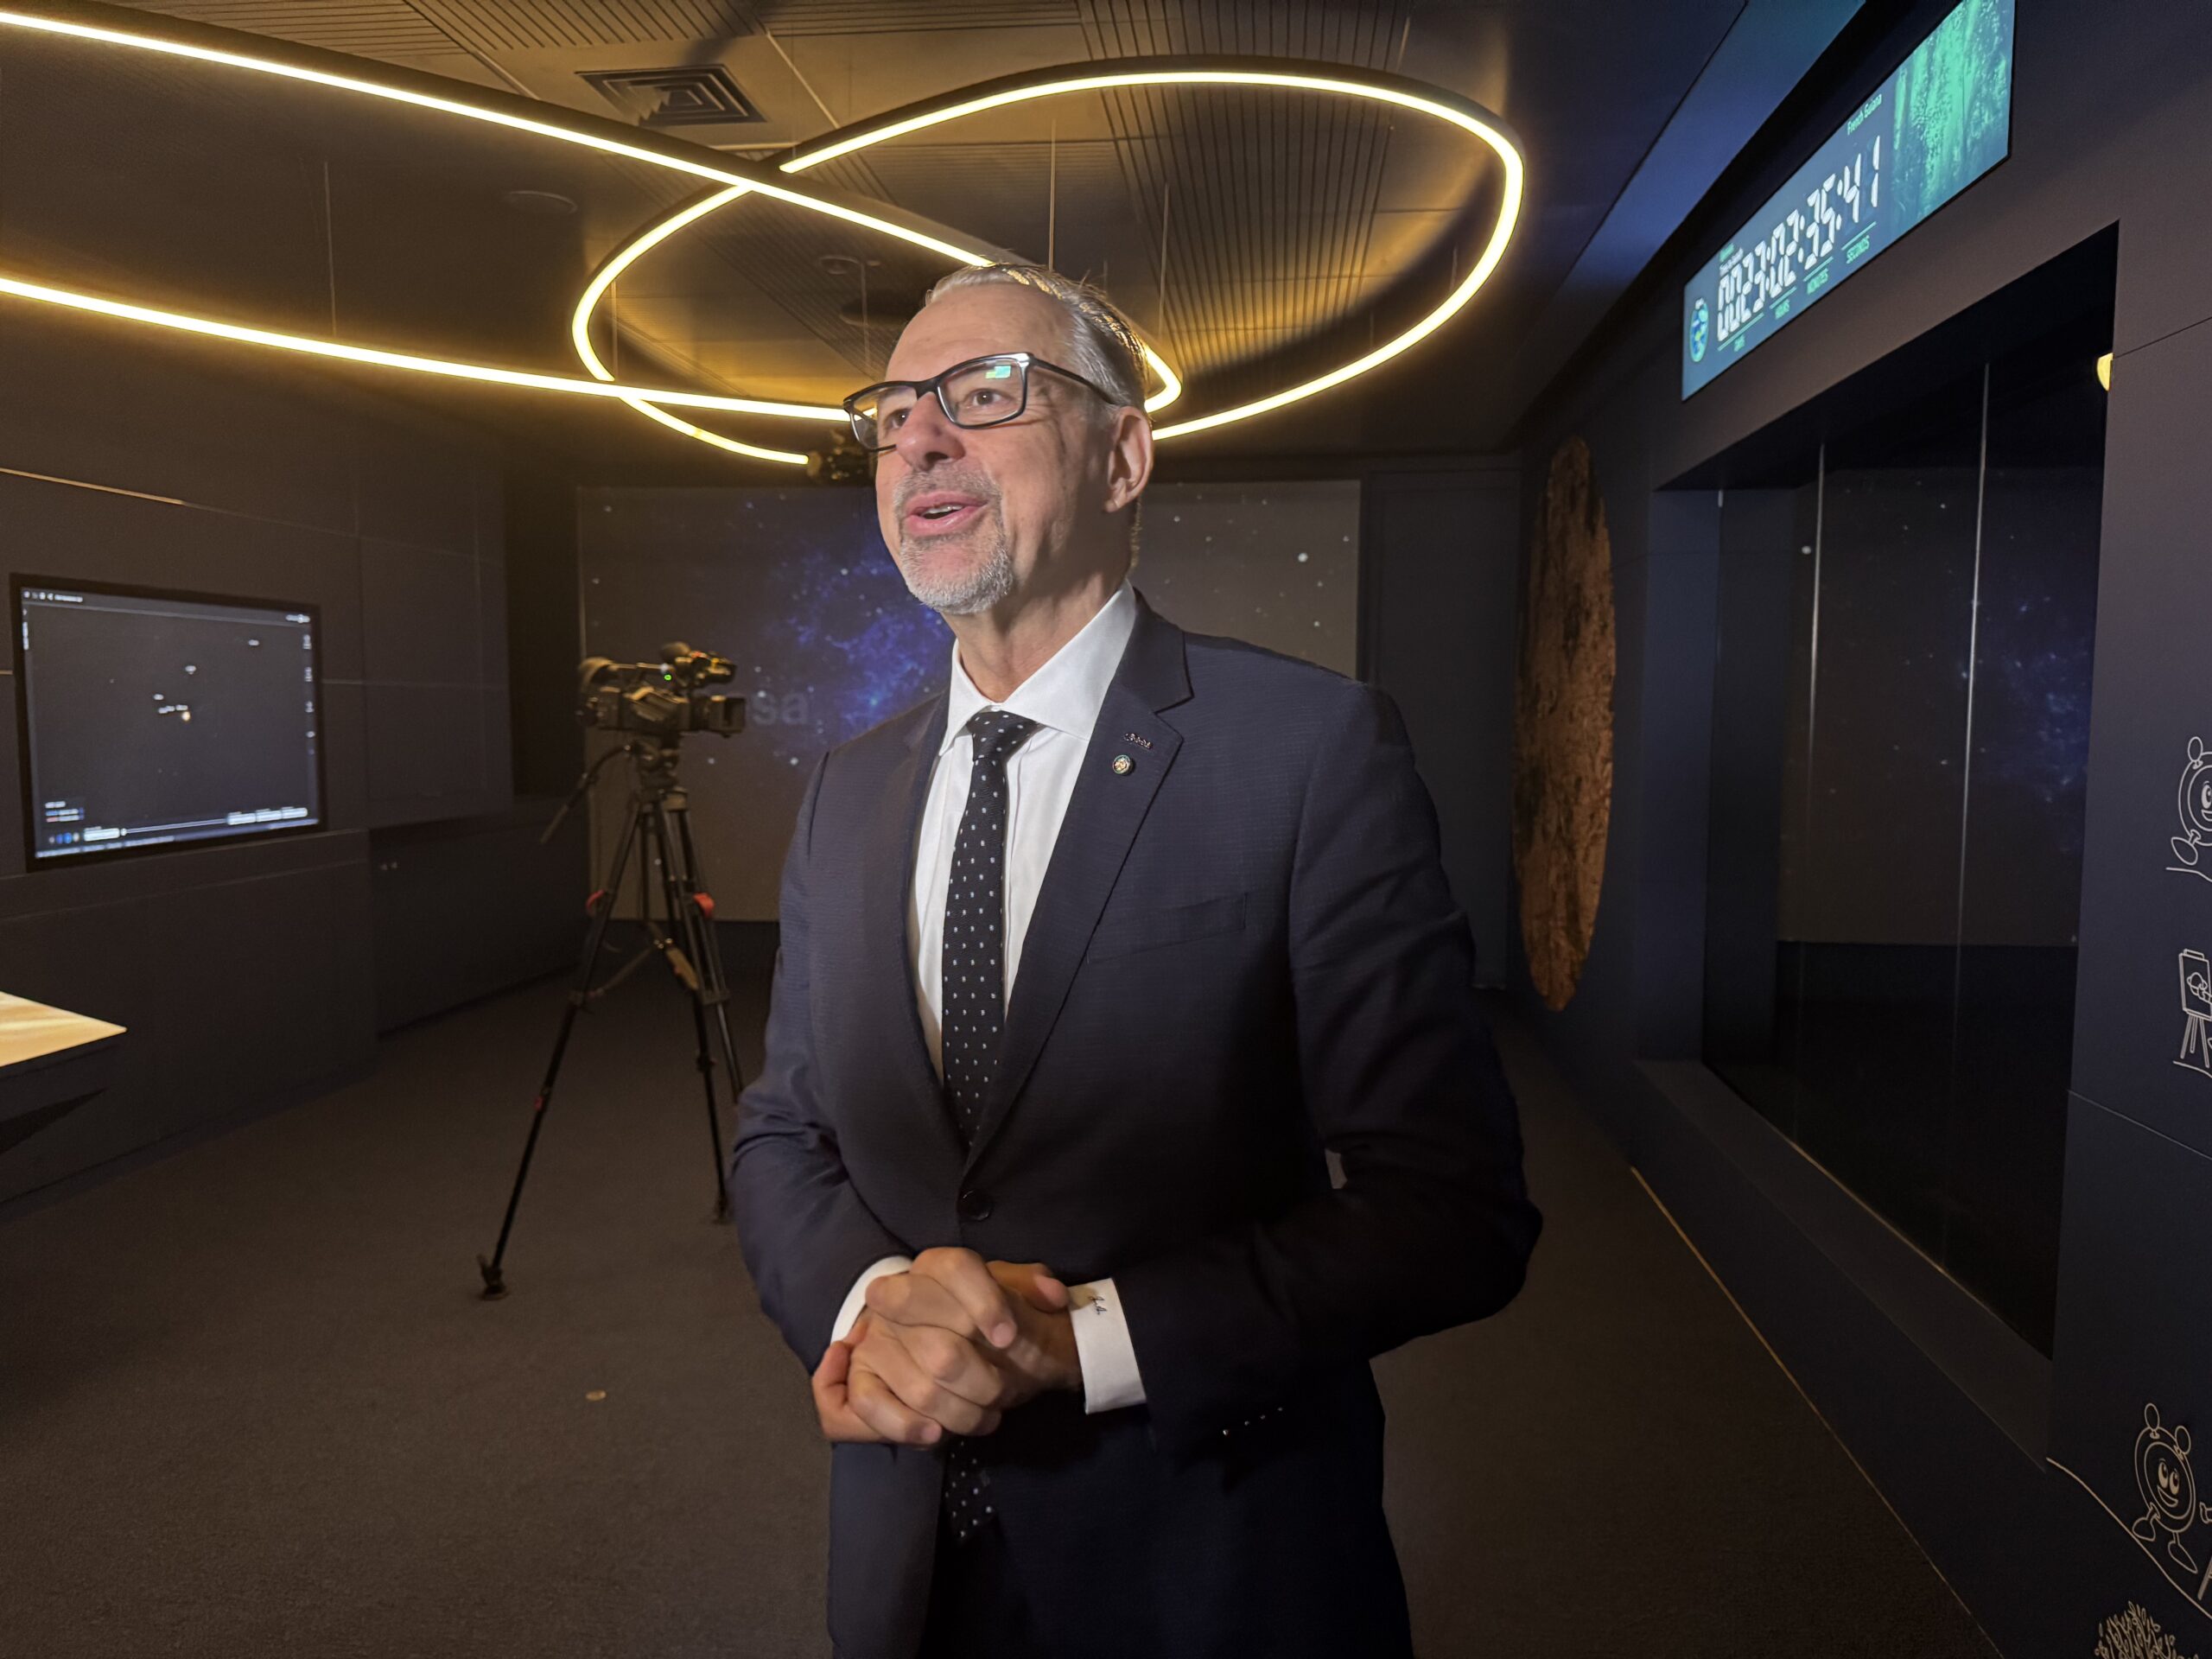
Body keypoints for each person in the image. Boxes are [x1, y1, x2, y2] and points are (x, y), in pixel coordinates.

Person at [729, 264, 1541, 1659]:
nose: (920, 437)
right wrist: (872, 1314)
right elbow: (781, 1134)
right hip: (906, 1559)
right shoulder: (844, 792)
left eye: (985, 393)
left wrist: (1081, 1342)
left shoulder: (1310, 752)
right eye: (893, 412)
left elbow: (1450, 1208)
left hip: (1212, 1565)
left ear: (1122, 456)